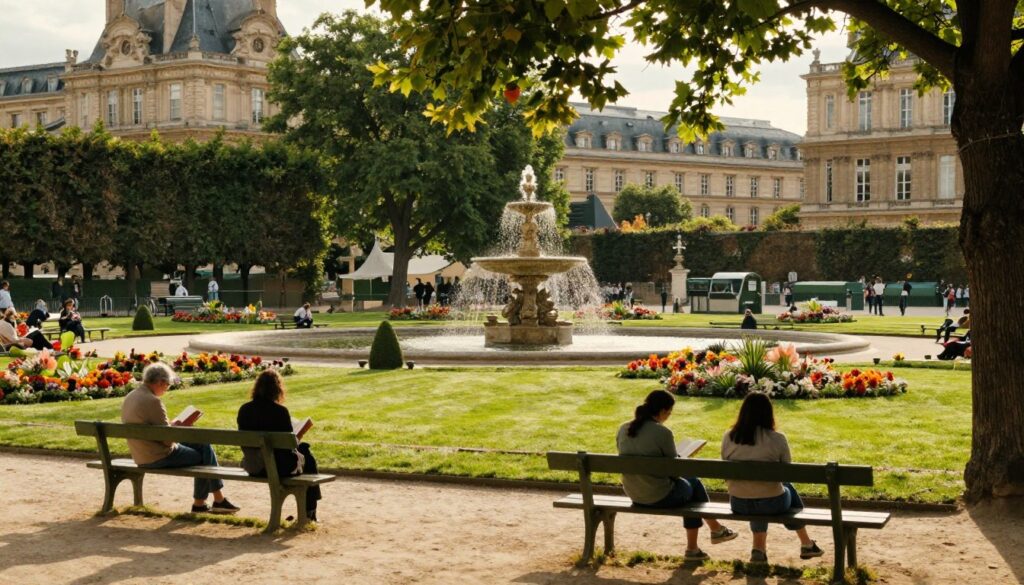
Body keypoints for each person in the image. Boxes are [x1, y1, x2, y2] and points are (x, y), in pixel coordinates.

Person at [617, 390, 737, 560]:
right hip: (658, 495)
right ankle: (700, 542)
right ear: (663, 411)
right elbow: (675, 472)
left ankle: (714, 531)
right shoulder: (662, 432)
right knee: (693, 486)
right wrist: (683, 461)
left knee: (689, 487)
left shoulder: (623, 428)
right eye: (669, 412)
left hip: (634, 493)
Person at [122, 362, 240, 514]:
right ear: (159, 382)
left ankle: (211, 501)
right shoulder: (153, 401)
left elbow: (156, 430)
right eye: (167, 385)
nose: (166, 389)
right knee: (203, 454)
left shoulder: (131, 396)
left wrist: (172, 426)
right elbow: (167, 440)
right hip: (157, 456)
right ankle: (209, 502)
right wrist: (178, 427)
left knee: (203, 445)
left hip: (141, 453)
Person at [722, 393, 823, 564]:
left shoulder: (729, 436)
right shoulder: (777, 438)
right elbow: (787, 472)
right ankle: (806, 543)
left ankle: (758, 550)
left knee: (756, 491)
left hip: (738, 502)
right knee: (784, 488)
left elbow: (725, 467)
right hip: (772, 503)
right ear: (769, 413)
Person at [237, 369, 322, 522]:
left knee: (304, 452)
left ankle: (310, 511)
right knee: (306, 453)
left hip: (254, 467)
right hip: (279, 468)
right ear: (277, 389)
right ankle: (310, 512)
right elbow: (289, 446)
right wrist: (298, 437)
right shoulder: (280, 412)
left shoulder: (244, 410)